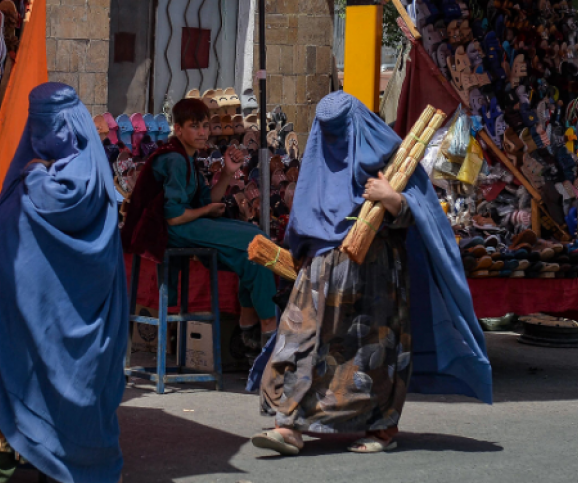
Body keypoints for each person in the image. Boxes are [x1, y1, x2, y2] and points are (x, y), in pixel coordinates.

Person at [251, 91, 492, 455]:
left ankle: (381, 428)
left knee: (371, 355)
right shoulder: (319, 162)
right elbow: (302, 219)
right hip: (319, 277)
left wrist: (392, 199)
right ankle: (288, 425)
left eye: (341, 130)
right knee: (300, 343)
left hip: (376, 278)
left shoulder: (392, 157)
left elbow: (426, 215)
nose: (336, 141)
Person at [0, 83, 127, 483]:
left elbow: (64, 208)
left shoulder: (77, 177)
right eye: (35, 125)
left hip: (77, 323)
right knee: (15, 392)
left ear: (68, 124)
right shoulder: (35, 174)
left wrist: (34, 179)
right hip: (31, 324)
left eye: (48, 126)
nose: (40, 136)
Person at [122, 98, 278, 353]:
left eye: (205, 125)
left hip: (185, 225)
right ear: (179, 129)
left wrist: (228, 172)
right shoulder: (173, 159)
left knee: (254, 251)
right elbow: (174, 216)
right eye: (195, 126)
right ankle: (265, 328)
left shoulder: (188, 158)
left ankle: (250, 326)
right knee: (255, 241)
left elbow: (209, 199)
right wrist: (206, 210)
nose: (203, 132)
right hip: (170, 230)